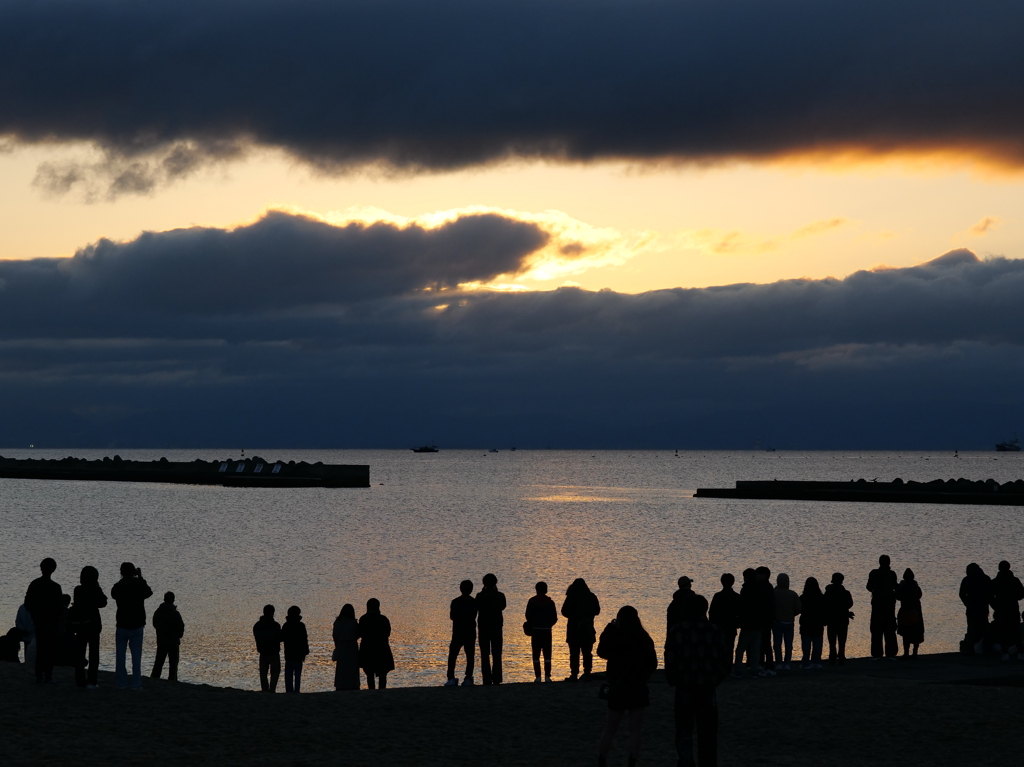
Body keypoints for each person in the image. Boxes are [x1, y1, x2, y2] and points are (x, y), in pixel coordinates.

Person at [665, 595, 731, 767]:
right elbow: (725, 662)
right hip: (707, 688)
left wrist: (674, 680)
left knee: (684, 731)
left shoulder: (677, 631)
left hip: (684, 687)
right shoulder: (716, 631)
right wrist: (714, 681)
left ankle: (686, 762)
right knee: (708, 733)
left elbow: (670, 660)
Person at [596, 606, 658, 767]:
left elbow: (601, 651)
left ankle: (602, 760)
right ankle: (632, 761)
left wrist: (609, 628)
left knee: (610, 728)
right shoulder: (643, 637)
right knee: (635, 729)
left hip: (618, 686)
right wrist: (643, 676)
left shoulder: (615, 635)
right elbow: (653, 663)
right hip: (637, 686)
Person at [110, 562, 153, 690]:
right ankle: (136, 683)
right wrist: (140, 577)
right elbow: (149, 592)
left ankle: (121, 683)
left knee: (120, 656)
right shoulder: (138, 584)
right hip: (137, 624)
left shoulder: (118, 586)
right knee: (136, 656)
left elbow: (113, 594)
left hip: (122, 624)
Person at [25, 557, 63, 683]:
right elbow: (59, 607)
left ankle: (39, 675)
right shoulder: (56, 587)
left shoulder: (35, 584)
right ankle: (47, 675)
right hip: (51, 623)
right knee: (50, 650)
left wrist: (35, 614)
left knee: (41, 649)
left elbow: (27, 603)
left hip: (39, 622)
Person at [72, 566, 107, 688]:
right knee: (94, 654)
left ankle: (79, 680)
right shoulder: (95, 590)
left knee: (80, 653)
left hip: (81, 624)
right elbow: (103, 602)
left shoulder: (78, 590)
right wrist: (97, 587)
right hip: (93, 624)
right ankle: (92, 680)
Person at [561, 577, 601, 681]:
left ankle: (574, 674)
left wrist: (575, 615)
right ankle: (587, 672)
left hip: (573, 629)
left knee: (574, 653)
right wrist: (587, 614)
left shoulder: (571, 597)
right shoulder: (591, 597)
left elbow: (564, 611)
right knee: (587, 652)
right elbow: (597, 611)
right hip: (587, 629)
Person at [989, 560, 1024, 660]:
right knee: (1015, 632)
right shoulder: (1015, 580)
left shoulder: (995, 582)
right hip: (1013, 609)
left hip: (1000, 610)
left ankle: (1005, 653)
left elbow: (990, 596)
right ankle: (1020, 653)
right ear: (1009, 567)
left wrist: (995, 606)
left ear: (999, 568)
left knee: (1002, 632)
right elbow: (1021, 595)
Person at [476, 573, 506, 685]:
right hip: (497, 626)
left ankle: (486, 678)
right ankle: (497, 678)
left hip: (484, 627)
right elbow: (503, 606)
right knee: (497, 653)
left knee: (484, 654)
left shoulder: (480, 596)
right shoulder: (500, 596)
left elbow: (477, 607)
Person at [446, 580, 478, 686]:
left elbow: (452, 616)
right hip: (470, 632)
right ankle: (468, 677)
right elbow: (474, 615)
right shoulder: (474, 602)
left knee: (453, 656)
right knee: (470, 656)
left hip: (457, 632)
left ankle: (451, 677)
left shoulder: (455, 602)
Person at [866, 555, 898, 658]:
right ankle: (891, 653)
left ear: (879, 562)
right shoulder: (892, 574)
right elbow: (895, 587)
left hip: (877, 605)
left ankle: (877, 654)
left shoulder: (874, 573)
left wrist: (875, 591)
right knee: (890, 630)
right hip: (889, 605)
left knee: (876, 630)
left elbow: (868, 587)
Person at [359, 598, 395, 689]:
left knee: (369, 675)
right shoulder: (383, 619)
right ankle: (382, 691)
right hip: (382, 649)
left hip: (367, 650)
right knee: (383, 675)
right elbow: (387, 633)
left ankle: (372, 691)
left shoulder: (363, 619)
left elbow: (360, 633)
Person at [525, 581, 558, 682]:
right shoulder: (550, 603)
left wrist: (533, 623)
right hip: (547, 631)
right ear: (546, 590)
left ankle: (538, 676)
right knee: (547, 654)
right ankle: (547, 676)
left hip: (535, 631)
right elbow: (554, 618)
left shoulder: (531, 601)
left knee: (536, 654)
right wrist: (549, 624)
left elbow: (527, 616)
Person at [733, 569, 762, 677]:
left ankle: (738, 670)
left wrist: (740, 619)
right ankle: (754, 670)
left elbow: (742, 607)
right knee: (755, 648)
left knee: (740, 648)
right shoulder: (759, 589)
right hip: (758, 623)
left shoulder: (745, 590)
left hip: (747, 623)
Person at [151, 592, 185, 681]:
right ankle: (172, 680)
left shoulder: (158, 612)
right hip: (173, 642)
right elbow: (181, 627)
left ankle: (154, 679)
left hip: (161, 641)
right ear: (173, 600)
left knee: (158, 663)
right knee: (173, 665)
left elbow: (155, 624)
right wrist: (178, 635)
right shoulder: (175, 613)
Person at [959, 563, 992, 655]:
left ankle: (971, 648)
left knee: (972, 628)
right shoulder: (985, 578)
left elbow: (962, 594)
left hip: (972, 608)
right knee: (985, 628)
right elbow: (990, 593)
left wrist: (967, 603)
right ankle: (986, 648)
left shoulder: (967, 580)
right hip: (983, 607)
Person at [709, 573, 741, 663]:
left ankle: (719, 668)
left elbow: (711, 612)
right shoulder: (736, 597)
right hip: (731, 627)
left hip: (718, 627)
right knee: (730, 649)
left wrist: (712, 625)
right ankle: (729, 669)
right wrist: (737, 624)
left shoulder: (717, 596)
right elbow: (741, 613)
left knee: (719, 649)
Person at [772, 573, 801, 671]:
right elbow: (798, 608)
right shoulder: (792, 594)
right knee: (788, 644)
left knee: (777, 643)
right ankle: (787, 663)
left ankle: (779, 662)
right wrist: (792, 614)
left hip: (777, 621)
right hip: (789, 621)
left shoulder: (774, 593)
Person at [823, 572, 854, 664]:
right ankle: (841, 656)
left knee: (832, 640)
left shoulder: (828, 592)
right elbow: (850, 604)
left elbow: (824, 603)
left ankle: (832, 656)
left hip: (831, 618)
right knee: (842, 639)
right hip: (843, 618)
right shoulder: (845, 592)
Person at [252, 605, 283, 692]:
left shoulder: (257, 625)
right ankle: (272, 689)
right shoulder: (275, 625)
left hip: (263, 652)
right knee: (275, 672)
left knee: (263, 673)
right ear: (272, 613)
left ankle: (265, 690)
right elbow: (280, 638)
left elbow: (257, 637)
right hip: (273, 652)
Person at [895, 569, 924, 658]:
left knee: (905, 633)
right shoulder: (916, 587)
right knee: (916, 632)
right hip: (916, 611)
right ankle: (915, 652)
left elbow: (897, 596)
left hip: (905, 611)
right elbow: (920, 595)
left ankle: (906, 653)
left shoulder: (902, 587)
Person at [281, 605, 309, 693]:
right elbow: (304, 639)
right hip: (298, 653)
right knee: (297, 675)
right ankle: (297, 691)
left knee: (288, 675)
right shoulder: (301, 625)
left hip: (289, 653)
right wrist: (305, 652)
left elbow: (281, 638)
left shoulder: (286, 625)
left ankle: (289, 691)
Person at [799, 577, 826, 669]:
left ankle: (805, 662)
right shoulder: (821, 597)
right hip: (818, 623)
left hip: (806, 623)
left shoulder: (803, 597)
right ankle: (816, 661)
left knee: (806, 645)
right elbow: (825, 610)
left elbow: (799, 609)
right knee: (817, 644)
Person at [332, 604, 360, 690]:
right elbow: (357, 635)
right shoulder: (353, 623)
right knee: (352, 668)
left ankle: (340, 685)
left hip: (341, 646)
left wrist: (338, 645)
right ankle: (353, 685)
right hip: (352, 647)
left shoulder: (337, 622)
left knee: (341, 668)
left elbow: (335, 635)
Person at [755, 566, 776, 674]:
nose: (757, 576)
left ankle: (768, 665)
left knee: (766, 643)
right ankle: (761, 664)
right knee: (761, 643)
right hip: (761, 619)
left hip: (765, 620)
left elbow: (770, 604)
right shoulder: (762, 586)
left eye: (759, 574)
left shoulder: (767, 587)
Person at [16, 600, 35, 673]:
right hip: (29, 633)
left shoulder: (21, 608)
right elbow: (34, 622)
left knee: (27, 647)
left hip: (25, 633)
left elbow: (18, 621)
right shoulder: (23, 608)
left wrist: (22, 629)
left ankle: (27, 662)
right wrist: (25, 630)